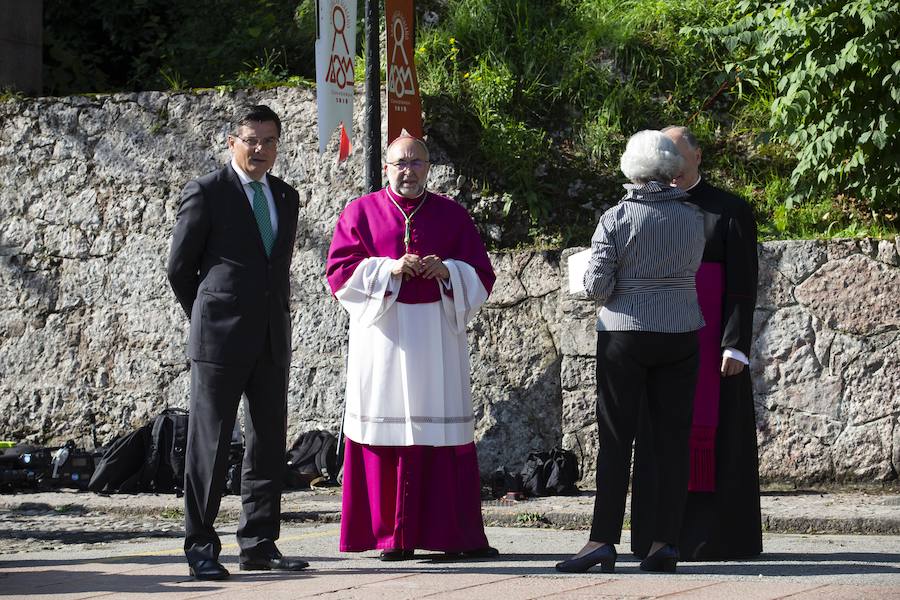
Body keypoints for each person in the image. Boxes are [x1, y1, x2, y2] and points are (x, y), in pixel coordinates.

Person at [325, 133, 498, 561]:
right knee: (386, 431)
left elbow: (481, 275)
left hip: (438, 336)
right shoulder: (360, 212)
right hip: (384, 337)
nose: (409, 171)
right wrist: (388, 270)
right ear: (386, 168)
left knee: (443, 432)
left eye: (417, 163)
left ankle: (454, 536)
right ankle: (391, 537)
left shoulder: (452, 215)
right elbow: (339, 273)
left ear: (428, 167)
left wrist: (447, 269)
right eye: (400, 163)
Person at [167, 104, 308, 580]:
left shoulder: (285, 197)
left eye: (269, 140)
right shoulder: (207, 192)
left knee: (268, 443)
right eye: (251, 139)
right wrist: (208, 316)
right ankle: (201, 547)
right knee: (209, 444)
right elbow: (179, 269)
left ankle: (259, 543)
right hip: (219, 341)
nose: (260, 149)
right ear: (232, 142)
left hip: (271, 338)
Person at [556, 130, 706, 575]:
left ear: (632, 169)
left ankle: (602, 539)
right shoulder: (695, 217)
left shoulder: (617, 217)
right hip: (681, 330)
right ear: (670, 168)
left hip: (626, 334)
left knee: (617, 440)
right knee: (673, 441)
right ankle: (666, 543)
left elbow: (597, 286)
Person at [630, 126, 761, 561]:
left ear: (698, 156)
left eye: (677, 155)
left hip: (712, 346)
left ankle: (716, 539)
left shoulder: (730, 210)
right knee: (659, 434)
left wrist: (735, 344)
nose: (669, 165)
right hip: (659, 340)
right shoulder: (643, 206)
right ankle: (656, 536)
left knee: (717, 437)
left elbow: (742, 285)